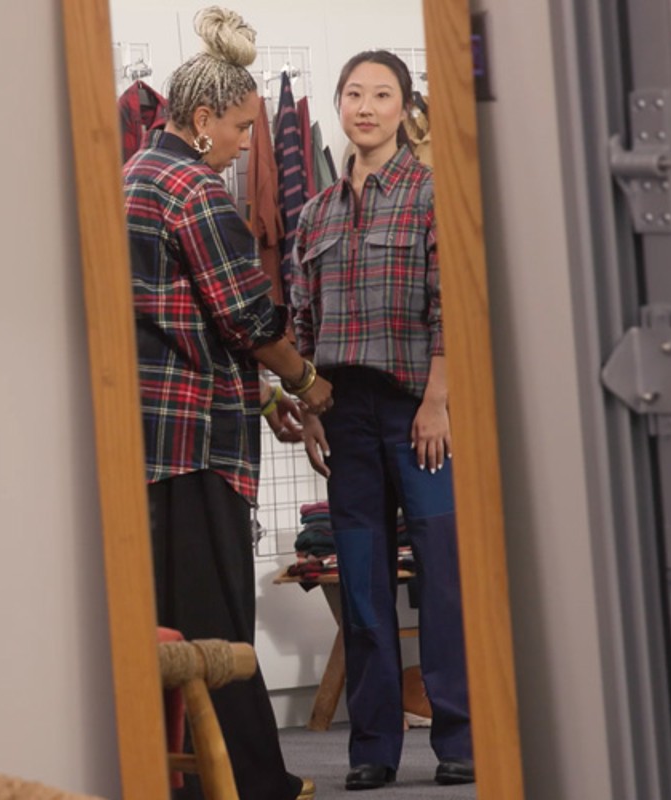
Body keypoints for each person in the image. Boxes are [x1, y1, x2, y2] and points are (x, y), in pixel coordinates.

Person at [122, 7, 332, 800]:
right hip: (199, 445)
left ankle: (189, 780)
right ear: (204, 120)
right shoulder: (194, 188)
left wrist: (265, 389)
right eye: (244, 127)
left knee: (171, 626)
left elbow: (184, 320)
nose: (251, 143)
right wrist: (306, 381)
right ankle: (250, 785)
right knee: (218, 633)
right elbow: (247, 316)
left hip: (152, 442)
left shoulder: (134, 176)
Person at [290, 50, 474, 790]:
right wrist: (305, 406)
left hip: (416, 411)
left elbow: (450, 306)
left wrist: (438, 400)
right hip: (345, 416)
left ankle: (458, 737)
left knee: (443, 576)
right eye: (354, 94)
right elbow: (301, 322)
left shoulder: (432, 196)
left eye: (382, 94)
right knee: (362, 584)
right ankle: (373, 748)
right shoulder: (314, 214)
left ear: (405, 107)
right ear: (339, 105)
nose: (366, 106)